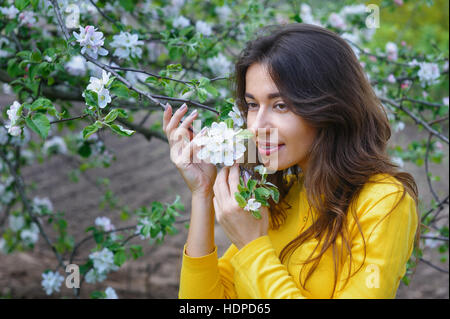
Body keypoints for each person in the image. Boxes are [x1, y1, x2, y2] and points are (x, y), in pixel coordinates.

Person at [162, 23, 420, 299]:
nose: (258, 125)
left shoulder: (385, 203)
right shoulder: (279, 191)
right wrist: (202, 193)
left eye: (280, 105)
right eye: (252, 105)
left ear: (328, 107)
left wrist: (253, 247)